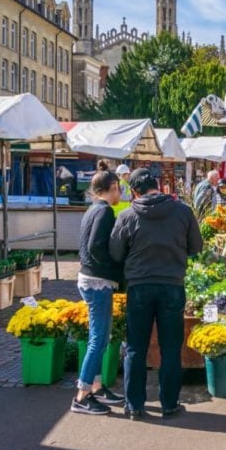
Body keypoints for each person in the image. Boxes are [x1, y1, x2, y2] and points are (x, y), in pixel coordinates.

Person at [109, 167, 203, 420]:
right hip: (172, 285)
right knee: (171, 347)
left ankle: (134, 405)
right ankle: (169, 404)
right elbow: (197, 246)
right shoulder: (183, 211)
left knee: (135, 348)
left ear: (135, 192)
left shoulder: (128, 216)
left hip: (139, 286)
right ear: (158, 186)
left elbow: (116, 253)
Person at [71, 161, 126, 415]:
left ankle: (96, 386)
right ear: (112, 187)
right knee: (98, 340)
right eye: (119, 189)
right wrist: (116, 269)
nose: (120, 194)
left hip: (90, 278)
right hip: (97, 281)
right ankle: (82, 396)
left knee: (101, 337)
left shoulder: (93, 208)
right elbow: (95, 247)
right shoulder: (104, 211)